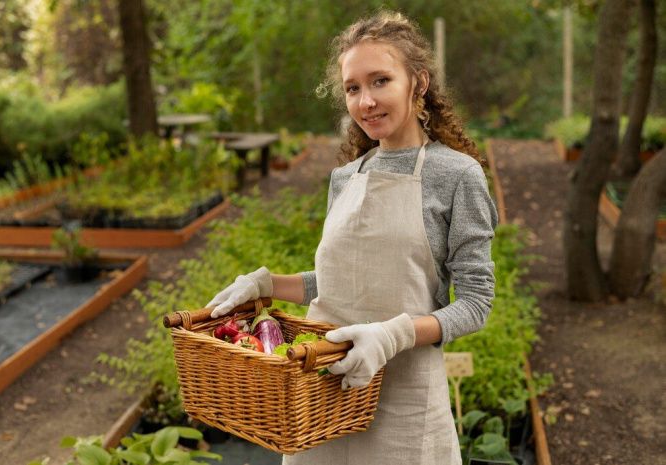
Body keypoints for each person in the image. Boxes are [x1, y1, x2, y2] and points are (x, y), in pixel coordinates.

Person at [206, 10, 498, 464]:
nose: (366, 102)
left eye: (381, 80)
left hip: (404, 397)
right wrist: (265, 284)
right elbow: (339, 279)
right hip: (320, 392)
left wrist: (391, 335)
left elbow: (476, 302)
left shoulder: (457, 175)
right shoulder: (345, 177)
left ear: (417, 83)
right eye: (353, 88)